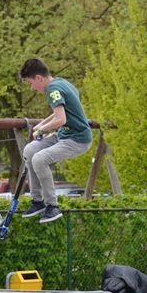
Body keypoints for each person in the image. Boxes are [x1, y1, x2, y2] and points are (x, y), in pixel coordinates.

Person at [19, 58, 92, 223]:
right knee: (30, 150)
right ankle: (37, 201)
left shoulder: (53, 90)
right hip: (63, 135)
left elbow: (61, 119)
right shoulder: (62, 83)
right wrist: (42, 124)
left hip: (77, 139)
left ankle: (52, 206)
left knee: (40, 158)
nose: (32, 88)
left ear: (38, 78)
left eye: (31, 83)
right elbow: (62, 110)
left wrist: (41, 129)